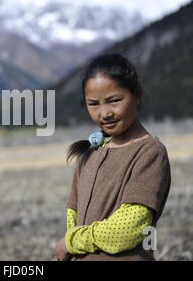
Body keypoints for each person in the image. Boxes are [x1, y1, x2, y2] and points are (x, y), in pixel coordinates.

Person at [55, 53, 171, 261]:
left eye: (114, 101)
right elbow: (73, 213)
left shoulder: (149, 153)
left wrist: (71, 242)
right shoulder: (90, 151)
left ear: (137, 95)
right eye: (93, 104)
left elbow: (128, 230)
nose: (105, 113)